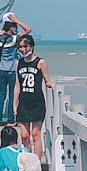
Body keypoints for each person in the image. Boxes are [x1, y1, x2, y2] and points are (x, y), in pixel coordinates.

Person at [13, 31, 53, 163]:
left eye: (26, 46)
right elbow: (17, 85)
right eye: (21, 47)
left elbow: (46, 80)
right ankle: (27, 160)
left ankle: (36, 164)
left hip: (37, 103)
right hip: (24, 103)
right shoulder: (19, 63)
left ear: (32, 46)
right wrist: (14, 103)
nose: (24, 50)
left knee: (36, 135)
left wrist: (50, 85)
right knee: (24, 135)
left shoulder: (40, 62)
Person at [0, 12, 26, 125]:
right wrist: (15, 20)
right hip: (12, 71)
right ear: (12, 29)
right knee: (12, 96)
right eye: (15, 28)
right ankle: (10, 120)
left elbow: (3, 31)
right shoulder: (14, 39)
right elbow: (28, 30)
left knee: (1, 96)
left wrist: (7, 22)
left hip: (2, 70)